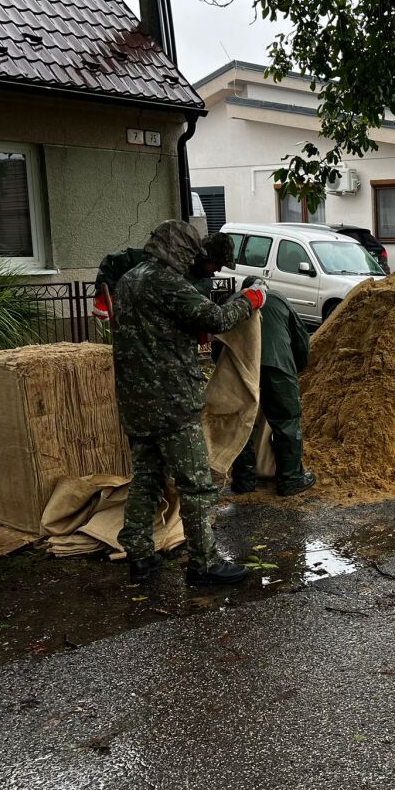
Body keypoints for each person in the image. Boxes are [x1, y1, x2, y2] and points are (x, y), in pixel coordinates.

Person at [113, 220, 266, 585]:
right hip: (172, 402)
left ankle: (139, 556)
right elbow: (217, 318)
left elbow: (157, 328)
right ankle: (204, 563)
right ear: (180, 249)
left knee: (147, 479)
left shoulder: (129, 280)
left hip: (136, 402)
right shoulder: (166, 281)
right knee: (196, 485)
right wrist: (250, 300)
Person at [230, 276, 316, 498]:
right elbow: (301, 340)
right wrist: (294, 370)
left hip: (241, 369)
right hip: (277, 366)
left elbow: (219, 347)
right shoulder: (277, 299)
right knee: (286, 420)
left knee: (242, 423)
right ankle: (291, 480)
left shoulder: (231, 303)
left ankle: (243, 480)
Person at [93, 232, 238, 318]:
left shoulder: (205, 283)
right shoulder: (160, 263)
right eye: (217, 264)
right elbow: (113, 262)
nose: (219, 270)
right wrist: (105, 297)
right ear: (206, 257)